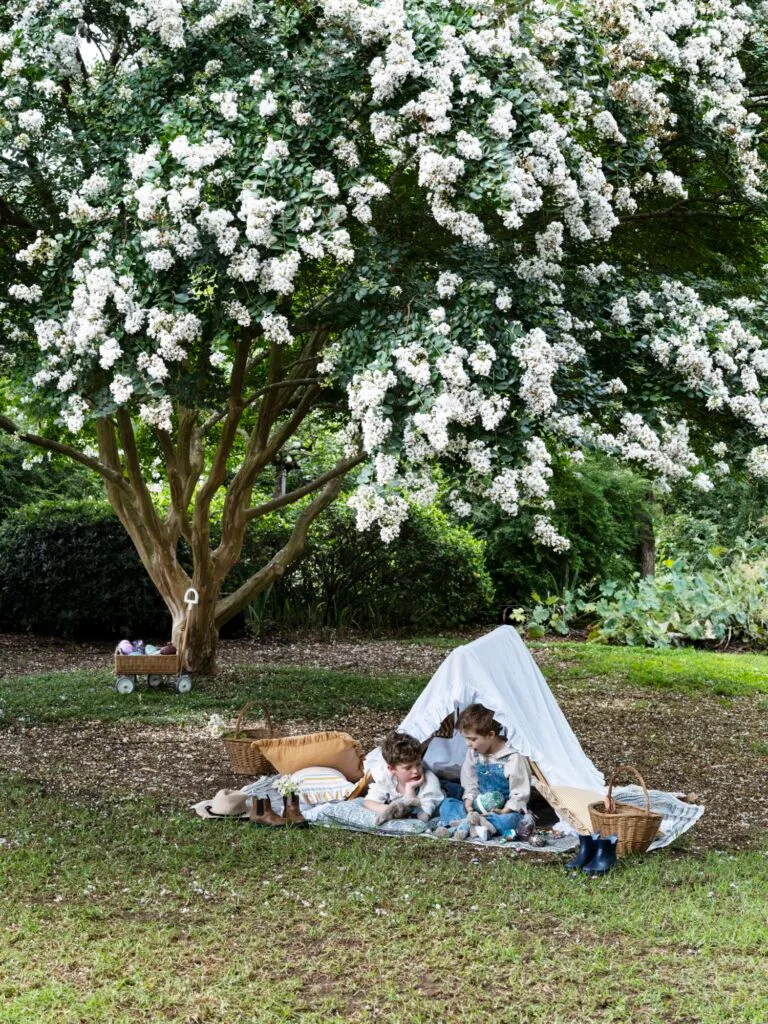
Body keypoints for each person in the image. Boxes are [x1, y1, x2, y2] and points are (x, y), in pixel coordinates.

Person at [436, 704, 533, 840]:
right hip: (477, 808)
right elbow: (470, 782)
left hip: (500, 811)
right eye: (465, 738)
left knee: (511, 821)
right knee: (448, 804)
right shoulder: (474, 754)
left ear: (490, 735)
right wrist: (469, 803)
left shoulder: (512, 757)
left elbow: (520, 791)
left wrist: (505, 810)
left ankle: (464, 825)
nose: (467, 744)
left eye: (473, 739)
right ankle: (476, 825)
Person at [364, 731, 444, 823]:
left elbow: (421, 816)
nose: (415, 771)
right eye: (408, 768)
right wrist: (390, 809)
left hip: (446, 791)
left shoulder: (430, 780)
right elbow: (368, 802)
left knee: (450, 804)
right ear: (392, 769)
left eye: (418, 764)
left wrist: (410, 790)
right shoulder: (386, 779)